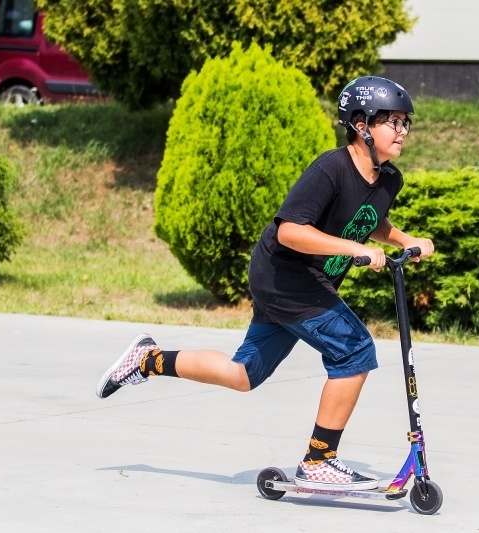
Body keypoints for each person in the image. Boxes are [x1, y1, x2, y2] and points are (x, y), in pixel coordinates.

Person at [95, 75, 434, 491]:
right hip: (285, 276)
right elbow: (291, 230)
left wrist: (403, 239)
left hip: (301, 282)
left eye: (405, 123)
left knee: (244, 374)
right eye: (393, 121)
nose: (402, 131)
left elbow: (367, 218)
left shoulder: (388, 180)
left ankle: (146, 360)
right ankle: (319, 459)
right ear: (362, 124)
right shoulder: (331, 168)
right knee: (355, 350)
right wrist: (350, 250)